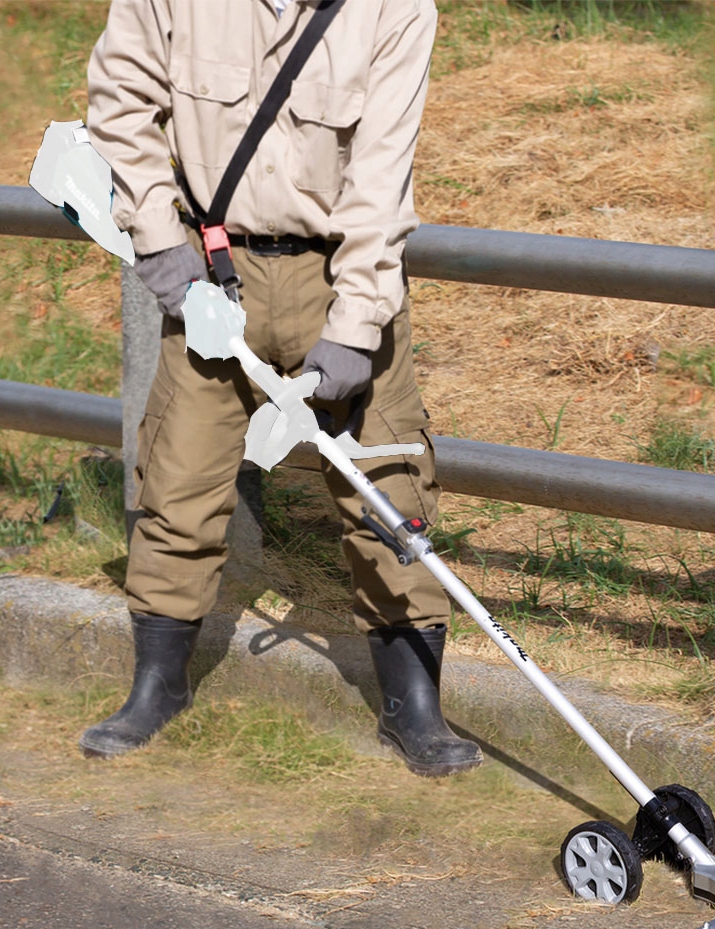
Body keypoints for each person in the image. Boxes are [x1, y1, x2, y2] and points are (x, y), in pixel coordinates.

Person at [77, 0, 483, 778]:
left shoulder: (394, 11)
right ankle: (157, 686)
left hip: (338, 275)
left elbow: (381, 176)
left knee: (389, 491)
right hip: (210, 276)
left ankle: (414, 709)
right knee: (177, 480)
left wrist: (358, 323)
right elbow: (119, 102)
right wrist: (161, 242)